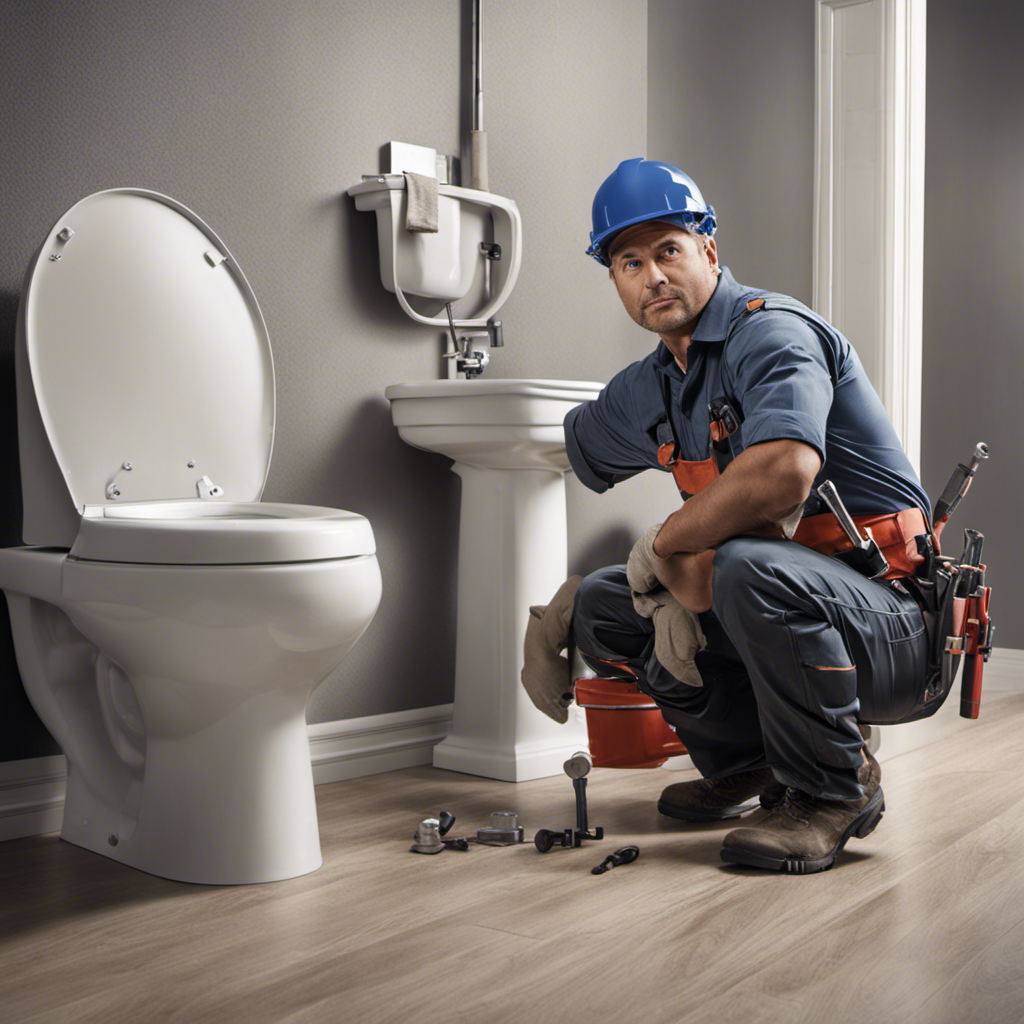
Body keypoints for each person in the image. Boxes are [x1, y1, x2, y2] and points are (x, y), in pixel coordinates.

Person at [566, 157, 933, 874]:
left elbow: (786, 469)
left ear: (708, 249)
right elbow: (574, 446)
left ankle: (834, 789)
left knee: (743, 566)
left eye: (668, 249)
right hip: (779, 602)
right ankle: (755, 763)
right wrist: (560, 604)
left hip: (891, 623)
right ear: (612, 280)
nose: (652, 276)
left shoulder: (772, 333)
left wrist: (664, 542)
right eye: (628, 262)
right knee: (605, 601)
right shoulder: (656, 383)